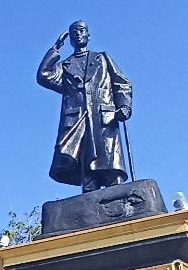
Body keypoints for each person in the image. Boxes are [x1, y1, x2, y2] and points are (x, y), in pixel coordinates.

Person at [37, 20, 132, 192]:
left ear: (88, 34)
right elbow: (44, 75)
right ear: (71, 39)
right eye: (74, 32)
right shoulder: (65, 66)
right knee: (87, 172)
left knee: (112, 166)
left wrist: (124, 106)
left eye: (81, 30)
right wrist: (55, 50)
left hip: (104, 118)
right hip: (78, 121)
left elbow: (122, 84)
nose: (78, 34)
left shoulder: (102, 58)